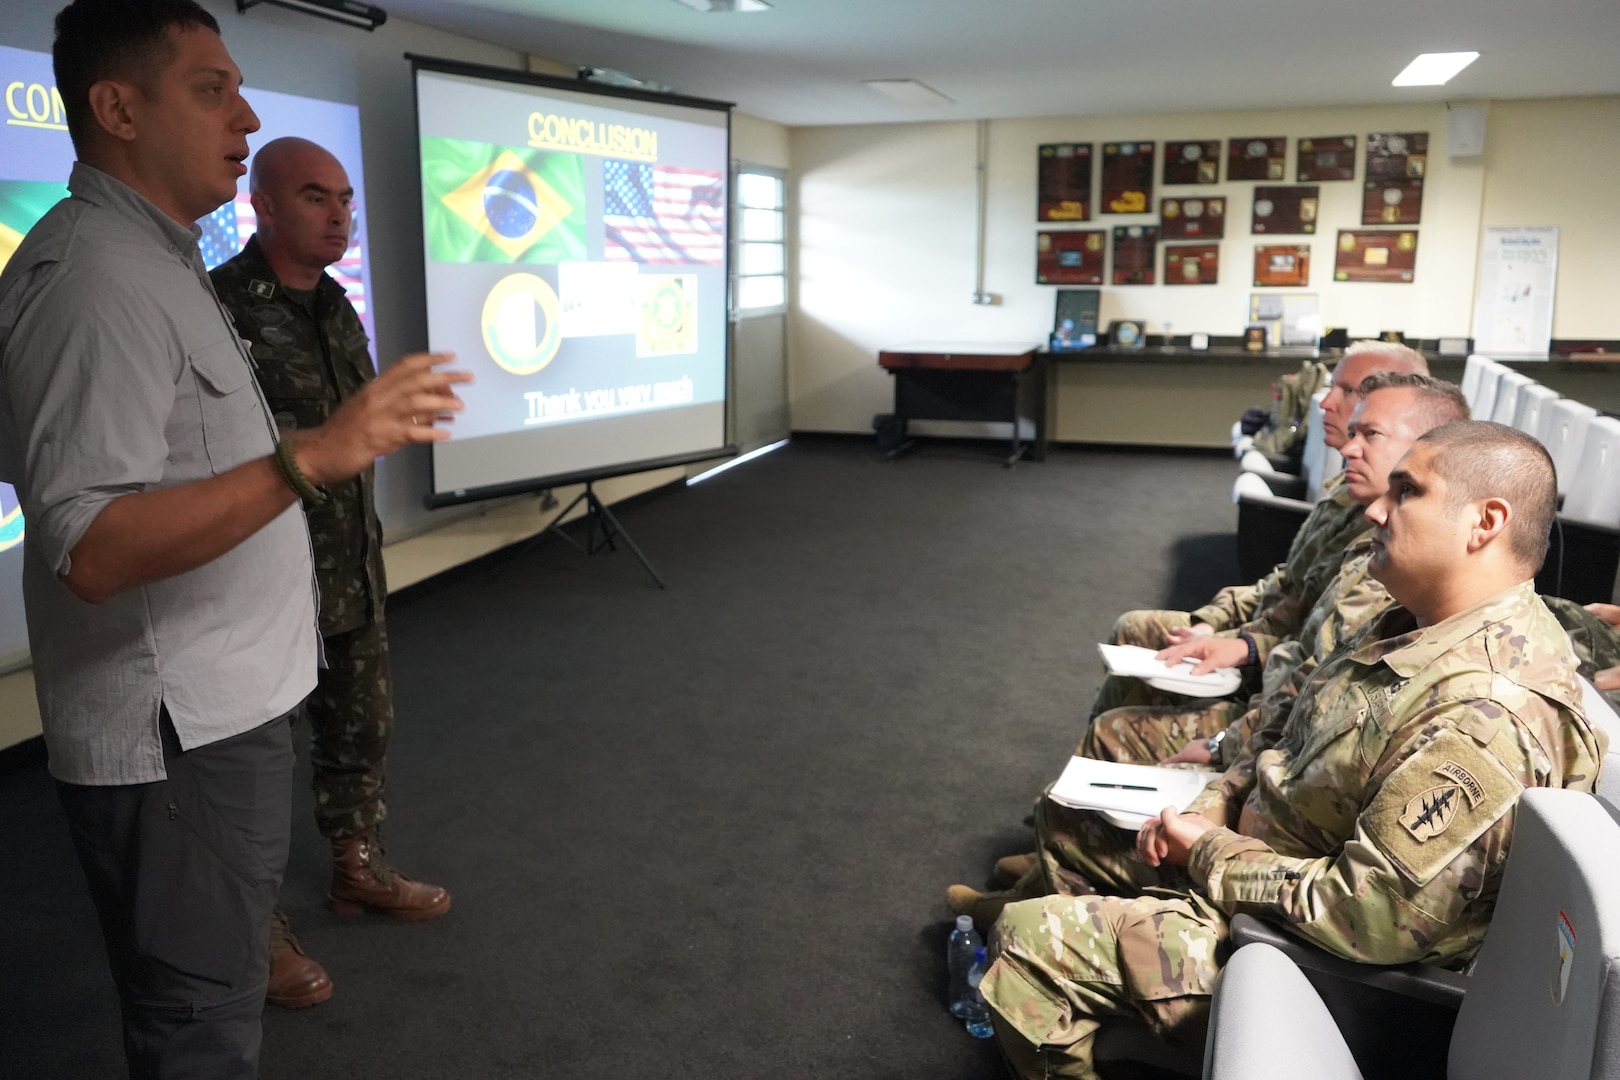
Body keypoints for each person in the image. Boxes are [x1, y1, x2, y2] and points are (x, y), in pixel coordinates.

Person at [0, 3, 468, 1076]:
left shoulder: (152, 259)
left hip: (223, 712)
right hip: (178, 739)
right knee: (199, 1026)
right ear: (116, 108)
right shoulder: (97, 279)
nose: (246, 114)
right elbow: (93, 545)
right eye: (212, 89)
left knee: (206, 1005)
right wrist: (313, 455)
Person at [979, 422, 1605, 1079]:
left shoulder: (1485, 715)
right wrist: (1222, 795)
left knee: (1026, 946)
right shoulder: (1408, 620)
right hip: (1273, 866)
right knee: (1079, 820)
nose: (1375, 510)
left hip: (1322, 964)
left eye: (1407, 491)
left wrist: (1212, 854)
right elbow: (1288, 727)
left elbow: (1368, 916)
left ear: (1486, 522)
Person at [952, 375, 1470, 918]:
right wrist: (1222, 631)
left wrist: (1229, 731)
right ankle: (1050, 862)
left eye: (1370, 429)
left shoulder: (1400, 568)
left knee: (1118, 733)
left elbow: (1313, 693)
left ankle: (1048, 879)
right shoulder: (1359, 507)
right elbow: (1286, 592)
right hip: (1272, 726)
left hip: (1275, 766)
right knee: (1140, 643)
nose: (1340, 430)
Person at [211, 137, 450, 1011]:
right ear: (263, 206)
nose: (340, 213)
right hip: (263, 582)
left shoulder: (339, 306)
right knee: (255, 766)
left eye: (345, 197)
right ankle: (255, 924)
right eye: (316, 197)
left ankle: (357, 868)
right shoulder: (220, 309)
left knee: (359, 732)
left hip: (348, 568)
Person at [1086, 341, 1430, 724]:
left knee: (1115, 729)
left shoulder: (1400, 536)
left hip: (1279, 692)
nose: (1325, 403)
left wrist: (1244, 647)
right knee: (1135, 631)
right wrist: (1213, 622)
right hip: (1265, 649)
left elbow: (1323, 662)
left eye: (1349, 391)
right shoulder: (1345, 487)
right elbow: (1285, 583)